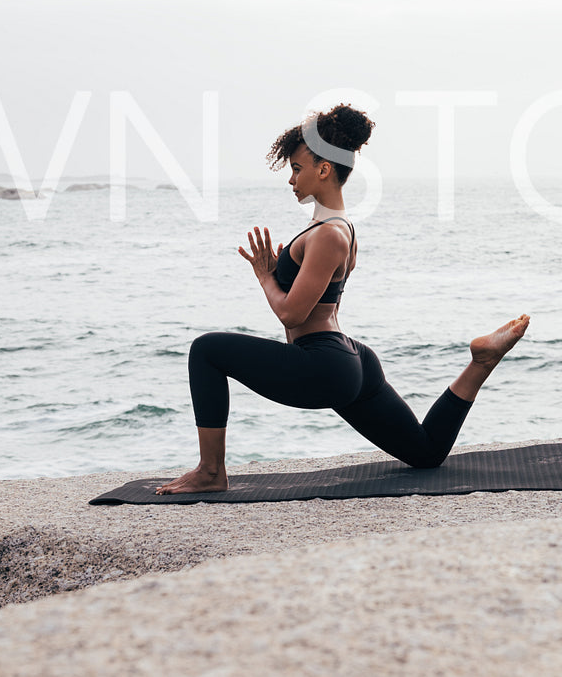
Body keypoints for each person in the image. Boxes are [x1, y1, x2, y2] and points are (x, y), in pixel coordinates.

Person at [156, 103, 531, 495]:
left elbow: (291, 313)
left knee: (206, 351)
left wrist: (267, 276)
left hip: (323, 363)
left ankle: (212, 471)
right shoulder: (337, 228)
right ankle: (481, 361)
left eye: (297, 169)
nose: (291, 180)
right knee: (426, 452)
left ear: (323, 169)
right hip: (351, 360)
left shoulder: (328, 235)